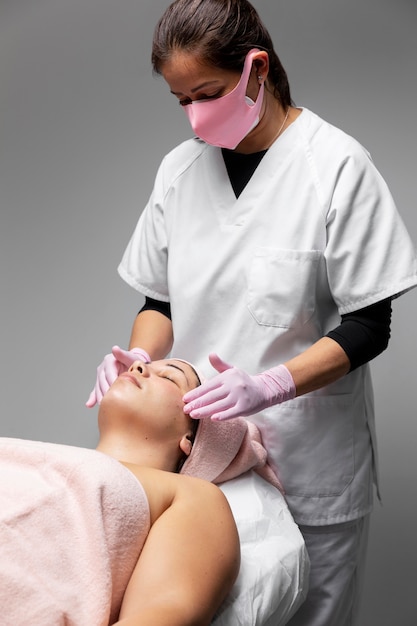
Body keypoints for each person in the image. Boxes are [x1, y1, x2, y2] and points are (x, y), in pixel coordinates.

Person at [86, 1, 417, 624]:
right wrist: (140, 356)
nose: (193, 117)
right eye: (181, 100)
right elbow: (158, 300)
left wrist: (269, 385)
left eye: (206, 93)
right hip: (204, 461)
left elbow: (371, 325)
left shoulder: (337, 167)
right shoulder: (179, 172)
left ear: (256, 71)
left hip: (308, 455)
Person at [1, 357, 245, 626]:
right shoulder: (33, 454)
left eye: (169, 377)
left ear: (190, 439)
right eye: (142, 365)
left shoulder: (193, 495)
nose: (137, 367)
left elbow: (164, 613)